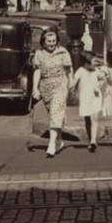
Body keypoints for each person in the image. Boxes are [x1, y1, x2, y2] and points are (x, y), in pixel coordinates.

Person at [31, 29, 73, 158]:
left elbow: (68, 69)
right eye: (49, 41)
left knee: (55, 111)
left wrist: (70, 82)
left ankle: (51, 144)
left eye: (54, 41)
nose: (52, 43)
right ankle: (59, 140)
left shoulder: (63, 52)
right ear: (43, 42)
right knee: (55, 115)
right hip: (46, 87)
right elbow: (37, 72)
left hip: (60, 85)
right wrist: (35, 88)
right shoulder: (39, 54)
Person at [69, 51, 104, 152]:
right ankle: (90, 139)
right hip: (85, 99)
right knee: (88, 120)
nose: (95, 63)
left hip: (96, 97)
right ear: (86, 63)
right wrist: (70, 87)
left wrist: (99, 85)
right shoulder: (80, 71)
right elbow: (73, 83)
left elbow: (102, 79)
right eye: (93, 61)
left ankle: (93, 141)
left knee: (94, 119)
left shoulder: (96, 71)